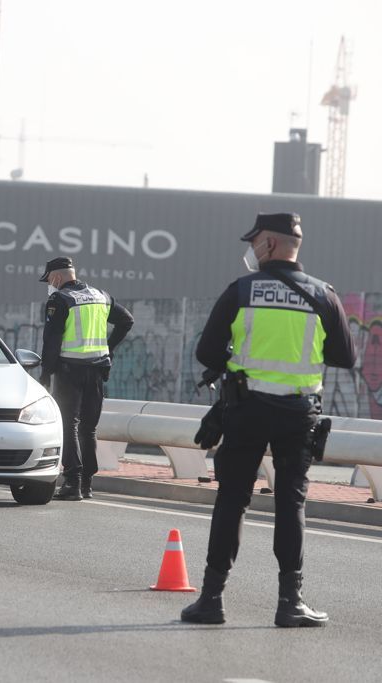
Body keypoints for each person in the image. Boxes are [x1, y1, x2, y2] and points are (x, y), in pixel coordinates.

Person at [181, 212, 356, 627]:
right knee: (290, 500)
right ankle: (289, 602)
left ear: (270, 245)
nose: (251, 249)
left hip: (246, 409)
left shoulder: (241, 290)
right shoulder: (323, 295)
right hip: (298, 415)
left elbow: (206, 352)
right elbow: (346, 357)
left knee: (232, 499)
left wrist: (236, 358)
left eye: (254, 241)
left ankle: (211, 599)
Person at [38, 256, 134, 501]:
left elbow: (51, 342)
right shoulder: (100, 296)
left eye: (49, 280)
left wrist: (45, 375)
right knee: (88, 428)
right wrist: (108, 348)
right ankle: (87, 484)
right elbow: (127, 320)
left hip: (69, 371)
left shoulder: (60, 299)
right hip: (97, 370)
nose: (49, 284)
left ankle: (72, 481)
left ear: (57, 277)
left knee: (68, 425)